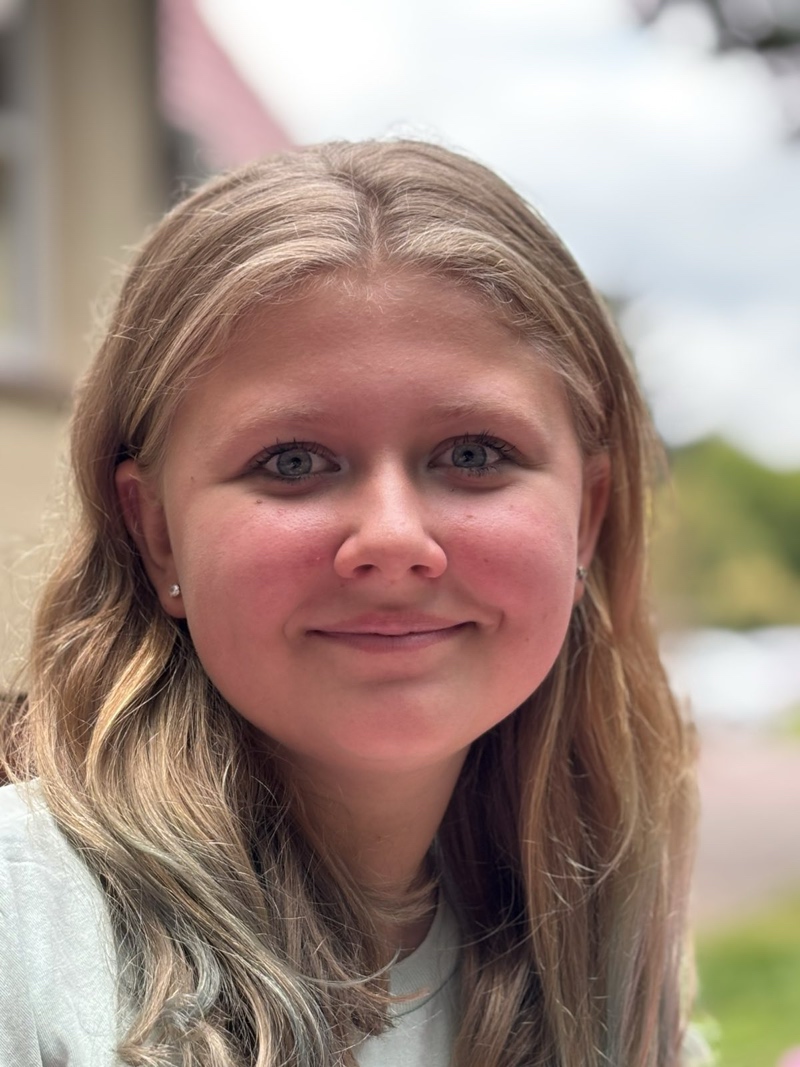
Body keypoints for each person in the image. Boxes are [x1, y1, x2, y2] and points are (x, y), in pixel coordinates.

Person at [0, 139, 698, 1067]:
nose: (393, 537)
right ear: (156, 531)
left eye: (474, 454)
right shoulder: (22, 931)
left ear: (586, 518)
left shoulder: (601, 927)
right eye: (293, 461)